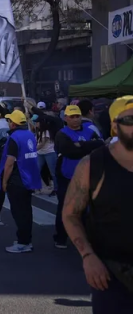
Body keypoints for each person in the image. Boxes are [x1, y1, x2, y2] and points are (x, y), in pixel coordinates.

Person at [62, 97, 133, 312]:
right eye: (130, 120)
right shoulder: (93, 165)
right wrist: (88, 256)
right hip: (112, 275)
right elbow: (70, 214)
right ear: (114, 126)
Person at [53, 105, 104, 249]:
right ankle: (61, 237)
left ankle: (84, 237)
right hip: (66, 176)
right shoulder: (62, 133)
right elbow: (69, 151)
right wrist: (88, 146)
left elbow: (101, 145)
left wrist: (79, 144)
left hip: (87, 175)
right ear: (66, 118)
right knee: (65, 207)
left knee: (86, 208)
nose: (75, 119)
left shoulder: (89, 131)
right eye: (72, 117)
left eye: (77, 116)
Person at [0, 110, 41, 254]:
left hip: (17, 179)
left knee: (19, 212)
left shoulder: (14, 138)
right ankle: (26, 240)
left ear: (13, 124)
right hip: (28, 178)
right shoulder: (30, 135)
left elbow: (9, 163)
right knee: (26, 211)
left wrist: (4, 181)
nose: (8, 123)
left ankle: (23, 242)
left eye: (9, 121)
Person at [35, 114, 58, 195]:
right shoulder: (38, 132)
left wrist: (33, 150)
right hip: (40, 153)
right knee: (37, 170)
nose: (36, 124)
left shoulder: (46, 132)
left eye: (37, 122)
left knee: (53, 172)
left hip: (49, 153)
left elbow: (42, 144)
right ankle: (37, 187)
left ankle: (56, 188)